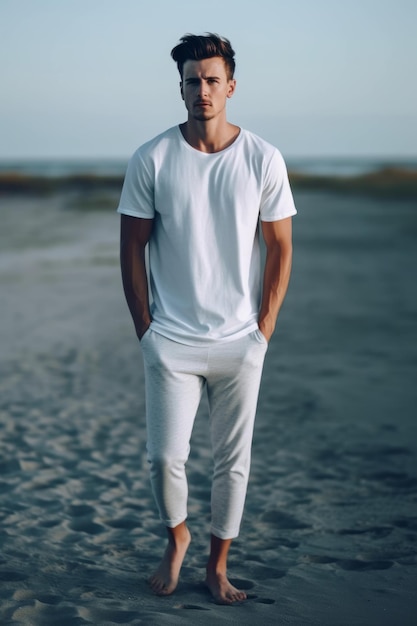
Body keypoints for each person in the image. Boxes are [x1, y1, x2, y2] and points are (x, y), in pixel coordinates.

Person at [118, 33, 296, 605]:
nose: (202, 90)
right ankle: (178, 538)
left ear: (231, 86)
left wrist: (262, 331)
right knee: (164, 458)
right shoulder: (152, 158)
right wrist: (146, 330)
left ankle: (217, 566)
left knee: (232, 463)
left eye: (212, 80)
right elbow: (131, 249)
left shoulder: (263, 158)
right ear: (182, 88)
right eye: (193, 80)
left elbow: (281, 248)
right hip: (170, 339)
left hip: (239, 341)